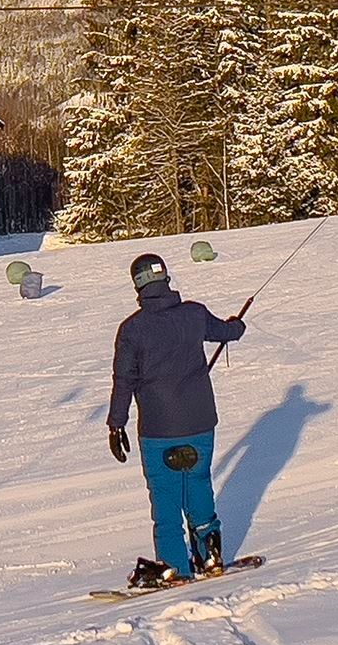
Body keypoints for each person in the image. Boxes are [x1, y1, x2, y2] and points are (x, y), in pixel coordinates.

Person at [104, 251, 245, 588]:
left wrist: (116, 423)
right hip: (199, 422)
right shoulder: (194, 314)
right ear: (165, 277)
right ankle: (210, 556)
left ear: (137, 284)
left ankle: (175, 566)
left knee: (166, 497)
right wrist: (236, 324)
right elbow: (228, 332)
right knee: (197, 485)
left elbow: (124, 380)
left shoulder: (132, 330)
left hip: (158, 429)